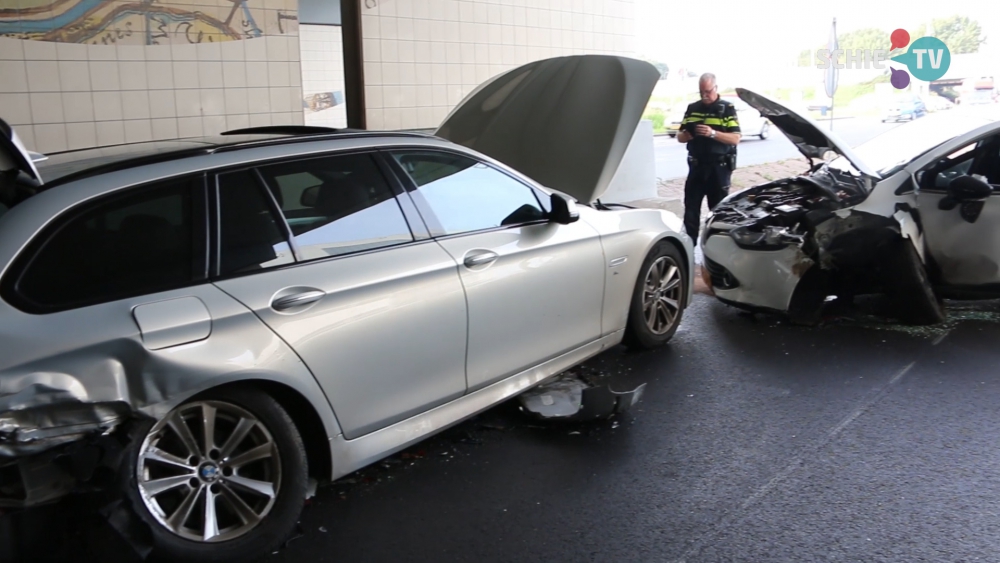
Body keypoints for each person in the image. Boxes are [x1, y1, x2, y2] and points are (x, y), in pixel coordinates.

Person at [676, 73, 741, 241]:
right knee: (691, 209)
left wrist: (712, 133)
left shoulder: (727, 109)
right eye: (701, 92)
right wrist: (686, 135)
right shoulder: (693, 108)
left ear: (716, 88)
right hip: (696, 166)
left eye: (708, 91)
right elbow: (679, 136)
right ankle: (689, 246)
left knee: (718, 210)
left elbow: (735, 138)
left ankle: (716, 245)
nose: (705, 96)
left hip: (717, 168)